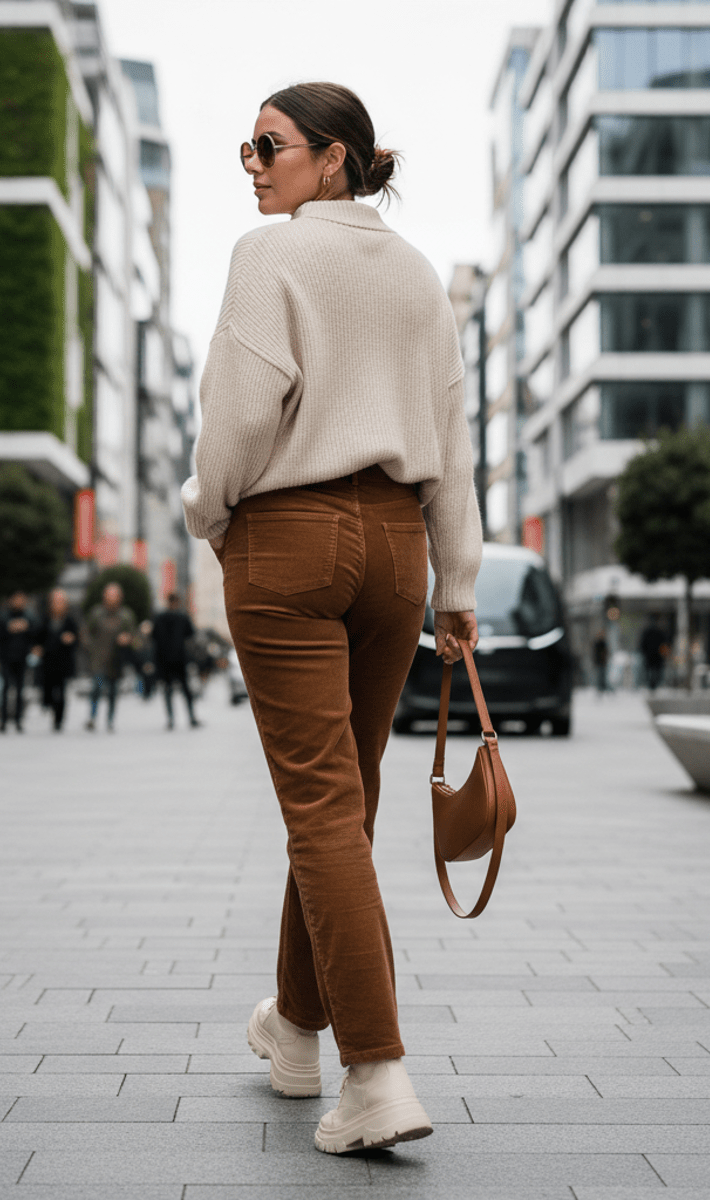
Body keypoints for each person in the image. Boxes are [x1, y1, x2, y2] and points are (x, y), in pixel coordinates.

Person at [181, 83, 481, 1155]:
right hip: (399, 550)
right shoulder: (415, 275)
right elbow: (452, 430)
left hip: (289, 540)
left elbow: (239, 415)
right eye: (247, 147)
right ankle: (296, 1033)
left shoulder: (268, 258)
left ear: (337, 160)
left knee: (320, 814)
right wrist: (457, 585)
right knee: (341, 809)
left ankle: (378, 1074)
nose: (253, 164)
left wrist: (207, 512)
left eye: (270, 145)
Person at [83, 582, 137, 732]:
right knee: (96, 688)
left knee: (113, 691)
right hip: (99, 660)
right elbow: (86, 633)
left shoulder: (126, 615)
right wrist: (90, 648)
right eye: (109, 594)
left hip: (116, 661)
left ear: (120, 597)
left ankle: (110, 719)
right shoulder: (96, 613)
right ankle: (92, 717)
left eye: (115, 595)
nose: (111, 598)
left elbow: (134, 636)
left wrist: (128, 639)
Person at [151, 592, 200, 730]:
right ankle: (191, 717)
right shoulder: (183, 617)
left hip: (164, 660)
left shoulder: (159, 618)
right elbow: (191, 635)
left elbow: (154, 637)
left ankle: (171, 719)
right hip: (179, 659)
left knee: (167, 691)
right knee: (186, 690)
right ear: (177, 602)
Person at [35, 588, 79, 732]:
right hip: (47, 662)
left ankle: (58, 720)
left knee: (61, 692)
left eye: (61, 601)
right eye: (55, 601)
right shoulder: (45, 619)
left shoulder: (70, 620)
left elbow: (77, 639)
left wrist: (71, 640)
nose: (58, 604)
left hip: (63, 663)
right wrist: (37, 648)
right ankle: (47, 704)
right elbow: (37, 638)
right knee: (47, 689)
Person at [0, 591, 35, 732]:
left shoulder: (29, 616)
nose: (18, 602)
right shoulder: (3, 616)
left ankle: (18, 720)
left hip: (22, 658)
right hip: (6, 658)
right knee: (5, 689)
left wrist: (26, 627)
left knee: (19, 690)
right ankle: (3, 720)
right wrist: (9, 627)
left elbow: (35, 634)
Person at [640, 615, 670, 692]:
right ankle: (653, 684)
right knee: (656, 670)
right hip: (656, 656)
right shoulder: (660, 632)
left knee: (650, 670)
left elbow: (642, 644)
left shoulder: (647, 632)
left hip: (650, 655)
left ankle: (651, 684)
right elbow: (664, 644)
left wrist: (644, 652)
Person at [592, 632, 611, 697]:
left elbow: (606, 652)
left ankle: (603, 688)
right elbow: (595, 653)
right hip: (599, 662)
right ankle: (600, 688)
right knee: (599, 676)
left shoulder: (603, 643)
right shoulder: (597, 644)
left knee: (603, 676)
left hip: (603, 662)